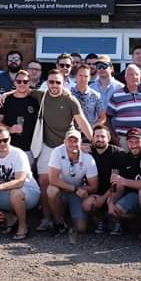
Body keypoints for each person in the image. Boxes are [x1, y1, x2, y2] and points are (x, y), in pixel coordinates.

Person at [32, 71, 93, 232]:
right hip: (46, 145)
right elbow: (22, 90)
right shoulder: (41, 95)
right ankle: (47, 219)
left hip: (67, 145)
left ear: (63, 83)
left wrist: (93, 142)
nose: (54, 85)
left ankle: (68, 215)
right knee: (45, 182)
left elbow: (82, 122)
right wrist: (6, 94)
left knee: (69, 181)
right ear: (47, 83)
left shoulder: (70, 100)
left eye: (58, 82)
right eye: (51, 82)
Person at [0, 126, 40, 240]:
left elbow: (20, 182)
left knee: (15, 193)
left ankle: (23, 226)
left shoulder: (18, 154)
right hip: (5, 192)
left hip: (28, 192)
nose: (2, 143)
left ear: (10, 139)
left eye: (5, 140)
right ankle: (10, 218)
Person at [45, 129, 99, 244]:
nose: (73, 144)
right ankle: (58, 222)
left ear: (81, 142)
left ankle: (77, 219)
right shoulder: (57, 152)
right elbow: (53, 179)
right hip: (62, 190)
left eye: (76, 141)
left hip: (77, 193)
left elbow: (94, 187)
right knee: (51, 190)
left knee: (81, 229)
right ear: (64, 141)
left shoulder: (88, 158)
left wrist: (81, 190)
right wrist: (74, 189)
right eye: (70, 141)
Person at [108, 128, 141, 238]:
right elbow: (119, 185)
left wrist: (124, 181)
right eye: (131, 142)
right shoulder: (126, 157)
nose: (134, 145)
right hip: (133, 194)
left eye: (137, 141)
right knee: (115, 208)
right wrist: (111, 202)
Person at [82, 125, 123, 234]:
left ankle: (116, 222)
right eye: (97, 136)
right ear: (92, 138)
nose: (99, 139)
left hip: (113, 192)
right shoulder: (88, 153)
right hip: (96, 191)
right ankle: (99, 219)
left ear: (108, 138)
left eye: (102, 136)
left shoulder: (117, 154)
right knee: (87, 204)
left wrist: (104, 198)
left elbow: (115, 182)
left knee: (116, 188)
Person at [0, 70, 40, 155]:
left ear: (29, 83)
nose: (22, 84)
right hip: (9, 147)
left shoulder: (35, 101)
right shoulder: (5, 100)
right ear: (15, 83)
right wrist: (9, 129)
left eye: (25, 81)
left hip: (29, 148)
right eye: (19, 81)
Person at [106, 64, 141, 148]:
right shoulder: (116, 95)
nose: (134, 77)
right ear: (125, 77)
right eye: (130, 74)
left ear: (140, 77)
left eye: (137, 74)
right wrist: (114, 138)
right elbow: (107, 118)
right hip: (124, 140)